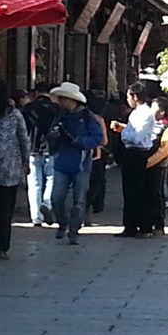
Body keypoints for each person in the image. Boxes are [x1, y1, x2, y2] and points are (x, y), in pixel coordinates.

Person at [48, 83, 103, 245]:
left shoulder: (87, 117)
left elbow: (97, 137)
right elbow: (50, 134)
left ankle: (73, 230)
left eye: (62, 98)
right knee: (56, 198)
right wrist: (53, 136)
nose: (60, 101)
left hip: (81, 165)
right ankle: (62, 222)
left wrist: (80, 142)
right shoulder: (59, 115)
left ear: (70, 99)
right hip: (61, 162)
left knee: (79, 201)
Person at [110, 83, 155, 237]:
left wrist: (125, 134)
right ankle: (129, 226)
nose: (127, 100)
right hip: (129, 153)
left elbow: (136, 136)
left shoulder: (146, 114)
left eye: (129, 96)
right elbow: (128, 133)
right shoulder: (134, 113)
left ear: (135, 97)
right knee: (128, 191)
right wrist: (125, 133)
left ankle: (144, 226)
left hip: (140, 153)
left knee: (139, 191)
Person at [0, 84, 30, 260]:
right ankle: (2, 246)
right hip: (9, 169)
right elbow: (23, 139)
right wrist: (26, 162)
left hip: (8, 168)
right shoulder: (15, 114)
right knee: (5, 210)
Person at [21, 83, 59, 226]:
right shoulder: (56, 108)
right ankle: (47, 204)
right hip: (52, 148)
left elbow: (23, 130)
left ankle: (36, 217)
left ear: (36, 93)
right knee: (52, 179)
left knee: (34, 184)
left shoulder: (28, 108)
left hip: (32, 148)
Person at [144, 97, 168, 237]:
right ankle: (146, 223)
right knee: (147, 194)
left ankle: (158, 224)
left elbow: (164, 150)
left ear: (162, 112)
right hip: (146, 164)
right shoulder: (148, 124)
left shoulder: (166, 128)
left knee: (156, 194)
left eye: (154, 108)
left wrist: (149, 162)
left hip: (158, 165)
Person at [84, 92, 109, 224]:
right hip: (95, 154)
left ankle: (80, 206)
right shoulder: (98, 119)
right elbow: (104, 141)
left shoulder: (77, 117)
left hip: (79, 153)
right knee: (96, 182)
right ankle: (88, 206)